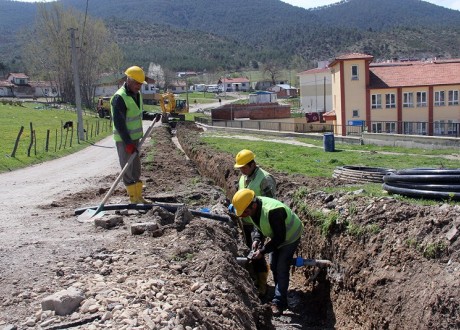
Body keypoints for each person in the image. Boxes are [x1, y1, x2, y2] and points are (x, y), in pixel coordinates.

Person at [232, 188, 303, 317]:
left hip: (290, 236)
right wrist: (257, 239)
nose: (245, 215)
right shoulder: (254, 209)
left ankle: (279, 302)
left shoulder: (273, 211)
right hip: (278, 236)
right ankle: (279, 293)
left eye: (246, 212)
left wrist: (263, 251)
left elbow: (279, 238)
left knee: (281, 266)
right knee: (273, 264)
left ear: (253, 205)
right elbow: (259, 225)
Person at [233, 149, 276, 297]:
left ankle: (263, 284)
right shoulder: (243, 177)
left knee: (258, 252)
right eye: (240, 168)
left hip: (259, 222)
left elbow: (271, 203)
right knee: (250, 250)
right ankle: (254, 279)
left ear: (252, 164)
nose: (241, 171)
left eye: (244, 167)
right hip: (246, 221)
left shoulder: (265, 179)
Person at [110, 65, 149, 204]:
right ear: (129, 80)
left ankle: (139, 196)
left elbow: (138, 113)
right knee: (127, 168)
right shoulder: (119, 98)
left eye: (141, 84)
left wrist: (152, 115)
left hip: (135, 139)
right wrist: (128, 143)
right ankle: (133, 198)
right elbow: (119, 124)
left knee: (136, 167)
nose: (139, 86)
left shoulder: (136, 95)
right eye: (137, 83)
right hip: (124, 140)